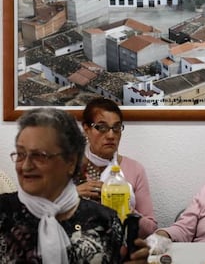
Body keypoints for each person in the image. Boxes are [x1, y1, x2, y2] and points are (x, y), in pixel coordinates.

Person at [0, 108, 149, 263]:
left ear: (70, 162)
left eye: (39, 155)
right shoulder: (3, 213)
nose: (25, 166)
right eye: (21, 154)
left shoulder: (106, 220)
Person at [75, 97, 157, 238]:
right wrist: (72, 196)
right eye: (101, 127)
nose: (111, 135)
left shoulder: (134, 169)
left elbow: (150, 230)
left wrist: (124, 207)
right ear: (86, 129)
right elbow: (43, 217)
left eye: (116, 128)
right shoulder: (66, 168)